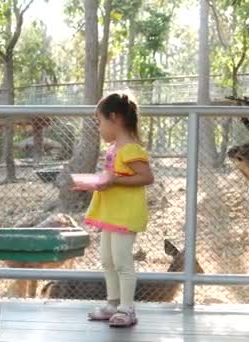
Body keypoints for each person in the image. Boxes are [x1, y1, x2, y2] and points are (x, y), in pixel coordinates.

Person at [72, 91, 154, 327]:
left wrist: (114, 181)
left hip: (125, 214)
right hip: (111, 212)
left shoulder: (130, 149)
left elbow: (146, 177)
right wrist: (95, 183)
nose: (99, 128)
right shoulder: (115, 148)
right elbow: (114, 177)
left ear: (115, 118)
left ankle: (127, 309)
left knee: (122, 261)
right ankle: (113, 303)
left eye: (100, 122)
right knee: (107, 260)